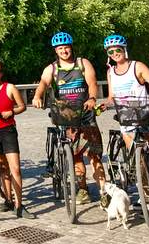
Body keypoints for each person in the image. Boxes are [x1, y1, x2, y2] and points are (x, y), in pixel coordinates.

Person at [32, 32, 107, 208]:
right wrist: (37, 96)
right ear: (56, 51)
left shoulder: (83, 63)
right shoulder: (52, 68)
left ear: (71, 48)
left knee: (94, 155)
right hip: (66, 116)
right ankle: (83, 189)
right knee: (75, 155)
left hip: (86, 114)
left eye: (66, 47)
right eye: (60, 48)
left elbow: (92, 83)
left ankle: (104, 192)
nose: (64, 51)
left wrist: (92, 99)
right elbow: (43, 82)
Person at [102, 34, 149, 211]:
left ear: (124, 50)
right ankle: (145, 194)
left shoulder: (137, 67)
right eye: (111, 52)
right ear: (108, 54)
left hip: (144, 117)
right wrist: (105, 104)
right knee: (138, 160)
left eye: (118, 50)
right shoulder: (110, 72)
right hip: (126, 120)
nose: (115, 53)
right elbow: (111, 97)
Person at [0, 60, 35, 219]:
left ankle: (19, 206)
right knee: (3, 168)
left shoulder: (9, 88)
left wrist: (11, 112)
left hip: (8, 130)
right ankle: (8, 200)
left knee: (15, 168)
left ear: (2, 73)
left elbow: (22, 106)